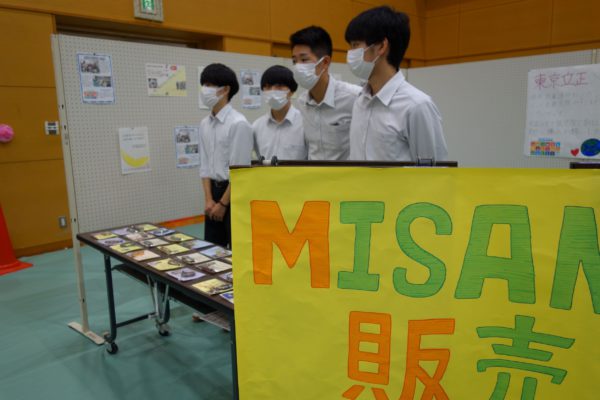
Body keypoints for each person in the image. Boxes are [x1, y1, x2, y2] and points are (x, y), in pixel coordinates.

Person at [345, 6, 448, 162]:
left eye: (355, 45)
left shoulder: (416, 106)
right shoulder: (360, 101)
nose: (350, 53)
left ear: (381, 46)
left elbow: (433, 171)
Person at [198, 63, 253, 248]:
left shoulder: (238, 124)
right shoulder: (204, 124)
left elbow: (240, 172)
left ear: (226, 89)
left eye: (210, 85)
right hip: (212, 195)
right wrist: (208, 199)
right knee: (212, 251)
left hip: (233, 195)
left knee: (236, 252)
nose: (204, 90)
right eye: (203, 84)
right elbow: (205, 165)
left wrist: (222, 204)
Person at [290, 26, 361, 160]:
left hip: (346, 173)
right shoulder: (301, 103)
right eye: (294, 61)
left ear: (325, 62)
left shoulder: (354, 98)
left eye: (304, 60)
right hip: (313, 172)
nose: (298, 66)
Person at [253, 65, 306, 161]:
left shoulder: (305, 124)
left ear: (291, 91)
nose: (273, 91)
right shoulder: (257, 126)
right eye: (268, 87)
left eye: (279, 86)